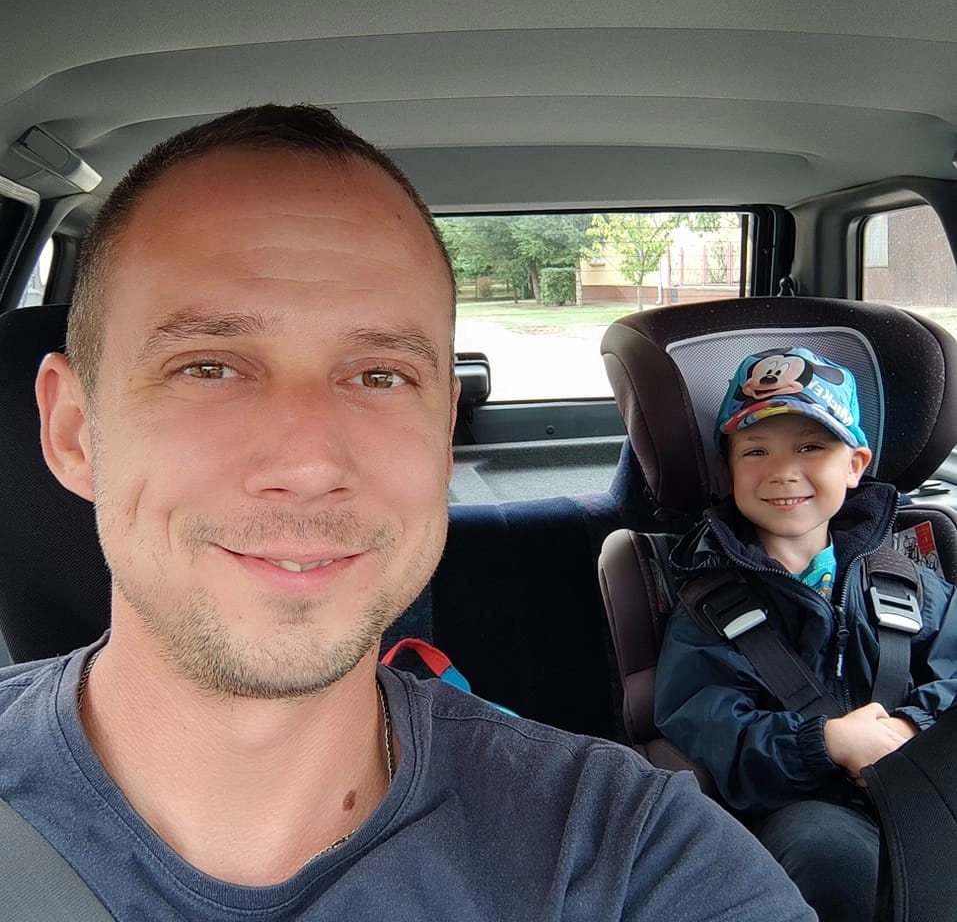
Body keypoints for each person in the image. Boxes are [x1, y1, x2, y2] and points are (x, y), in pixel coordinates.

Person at [0, 104, 814, 920]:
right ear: (73, 432)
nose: (309, 466)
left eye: (379, 376)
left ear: (442, 431)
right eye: (208, 367)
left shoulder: (632, 856)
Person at [654, 346, 957, 921]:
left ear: (855, 464)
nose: (782, 471)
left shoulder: (904, 578)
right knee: (825, 851)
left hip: (925, 790)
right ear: (728, 471)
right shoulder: (709, 605)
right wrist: (826, 743)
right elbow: (710, 725)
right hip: (807, 805)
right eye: (756, 451)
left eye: (811, 447)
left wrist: (911, 727)